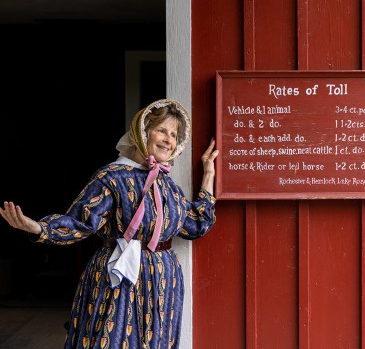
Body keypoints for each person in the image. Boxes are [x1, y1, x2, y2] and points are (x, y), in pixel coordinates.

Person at [0, 99, 219, 348]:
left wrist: (208, 173)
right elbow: (80, 222)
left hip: (162, 281)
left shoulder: (167, 187)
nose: (169, 140)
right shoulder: (111, 177)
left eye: (174, 134)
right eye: (161, 130)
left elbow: (196, 224)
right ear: (142, 131)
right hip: (119, 275)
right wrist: (40, 228)